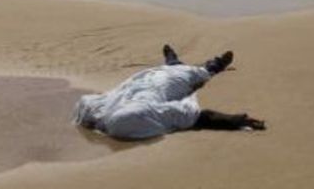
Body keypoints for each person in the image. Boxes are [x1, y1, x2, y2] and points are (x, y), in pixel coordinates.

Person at [73, 45, 266, 141]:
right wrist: (237, 120)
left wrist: (237, 120)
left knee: (199, 72)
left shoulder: (103, 111)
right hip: (153, 81)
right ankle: (182, 61)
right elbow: (196, 116)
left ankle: (211, 64)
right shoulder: (115, 114)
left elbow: (197, 116)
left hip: (154, 79)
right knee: (190, 71)